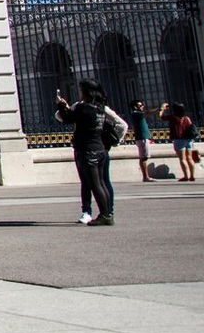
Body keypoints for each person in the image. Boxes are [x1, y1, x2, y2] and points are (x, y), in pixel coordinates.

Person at [56, 80, 123, 226]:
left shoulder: (83, 108)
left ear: (86, 91)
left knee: (94, 184)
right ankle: (107, 213)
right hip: (100, 149)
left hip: (87, 149)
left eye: (81, 90)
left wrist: (61, 105)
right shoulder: (99, 108)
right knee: (101, 183)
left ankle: (105, 215)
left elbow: (66, 119)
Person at [166, 103, 197, 182]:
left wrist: (162, 109)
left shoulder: (173, 118)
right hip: (188, 139)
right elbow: (191, 127)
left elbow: (161, 117)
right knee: (189, 158)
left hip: (179, 139)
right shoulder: (187, 118)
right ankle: (192, 175)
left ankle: (186, 176)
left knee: (182, 159)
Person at [128, 100, 154, 182]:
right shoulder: (136, 113)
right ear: (135, 106)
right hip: (142, 138)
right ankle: (146, 177)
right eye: (141, 105)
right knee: (144, 157)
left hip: (143, 137)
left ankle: (146, 176)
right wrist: (159, 109)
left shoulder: (138, 114)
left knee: (144, 157)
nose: (142, 106)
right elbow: (147, 113)